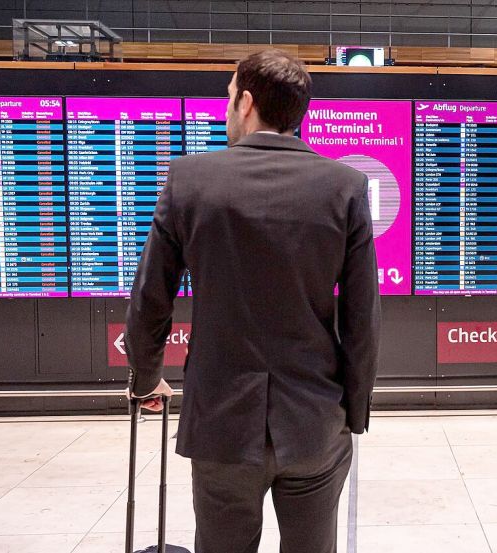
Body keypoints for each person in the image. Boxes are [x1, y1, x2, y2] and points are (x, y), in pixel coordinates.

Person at [124, 49, 381, 553]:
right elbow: (362, 316)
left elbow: (151, 299)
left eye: (227, 99)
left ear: (245, 102)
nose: (225, 111)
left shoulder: (189, 181)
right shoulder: (345, 187)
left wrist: (145, 376)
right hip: (314, 421)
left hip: (221, 422)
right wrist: (351, 411)